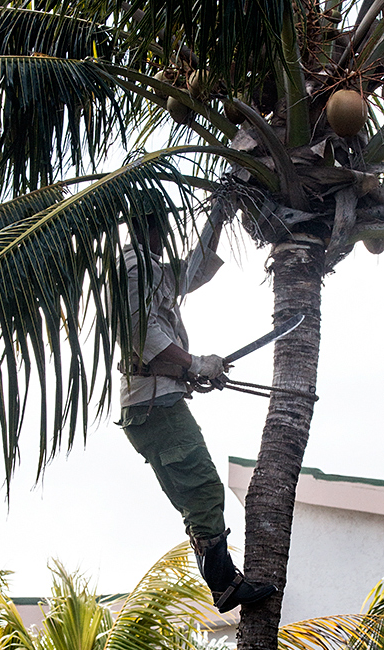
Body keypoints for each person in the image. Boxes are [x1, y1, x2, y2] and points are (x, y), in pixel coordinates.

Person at [117, 193, 276, 613]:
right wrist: (193, 363)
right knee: (204, 488)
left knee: (195, 498)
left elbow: (195, 270)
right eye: (163, 227)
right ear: (150, 226)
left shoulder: (152, 268)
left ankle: (223, 583)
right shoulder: (136, 267)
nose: (167, 235)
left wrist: (219, 217)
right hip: (156, 405)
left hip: (153, 404)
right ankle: (224, 584)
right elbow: (144, 335)